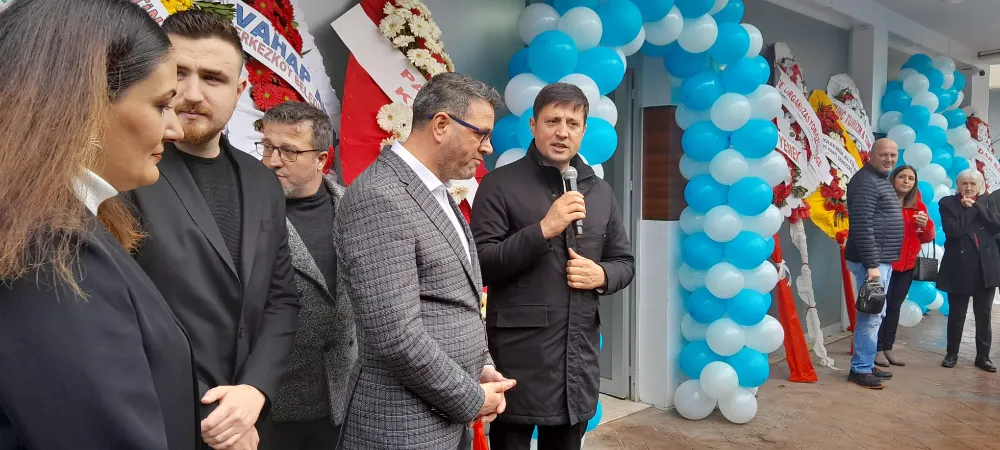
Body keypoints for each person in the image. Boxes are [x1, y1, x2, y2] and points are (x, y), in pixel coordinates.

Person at [0, 0, 196, 448]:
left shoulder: (40, 225)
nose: (175, 130)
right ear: (82, 104)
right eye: (161, 104)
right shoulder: (49, 248)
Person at [127, 10, 300, 450]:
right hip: (154, 420)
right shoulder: (125, 173)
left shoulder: (262, 181)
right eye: (178, 73)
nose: (191, 93)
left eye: (212, 78)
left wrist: (254, 390)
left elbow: (281, 299)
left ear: (239, 90)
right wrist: (217, 416)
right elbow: (114, 314)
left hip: (247, 419)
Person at [334, 72, 516, 450]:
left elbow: (457, 301)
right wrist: (471, 398)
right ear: (441, 125)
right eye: (481, 134)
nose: (488, 148)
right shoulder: (380, 197)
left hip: (444, 419)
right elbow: (396, 336)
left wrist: (481, 366)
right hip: (402, 427)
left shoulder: (435, 190)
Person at [470, 83, 635, 450]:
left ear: (584, 130)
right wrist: (543, 229)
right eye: (552, 121)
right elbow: (480, 264)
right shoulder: (499, 185)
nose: (562, 132)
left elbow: (624, 262)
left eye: (572, 123)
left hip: (577, 360)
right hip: (519, 360)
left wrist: (602, 275)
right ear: (533, 125)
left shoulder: (600, 191)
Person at [257, 101, 355, 450]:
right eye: (267, 147)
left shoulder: (355, 208)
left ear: (322, 159)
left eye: (289, 151)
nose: (272, 161)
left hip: (343, 400)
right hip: (270, 403)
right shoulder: (246, 210)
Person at [843, 138, 904, 390]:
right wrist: (871, 265)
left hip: (879, 259)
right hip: (872, 261)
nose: (889, 159)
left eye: (893, 155)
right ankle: (860, 369)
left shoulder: (878, 179)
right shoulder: (866, 181)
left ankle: (866, 362)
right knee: (870, 316)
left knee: (875, 314)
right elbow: (862, 225)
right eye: (884, 154)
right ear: (871, 155)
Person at [938, 169, 1000, 372]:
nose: (969, 187)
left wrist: (976, 206)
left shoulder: (988, 201)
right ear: (957, 185)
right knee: (957, 314)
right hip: (959, 266)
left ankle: (983, 357)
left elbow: (996, 225)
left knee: (984, 315)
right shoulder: (947, 203)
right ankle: (952, 354)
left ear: (980, 186)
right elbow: (954, 230)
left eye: (973, 184)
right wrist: (972, 210)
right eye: (964, 183)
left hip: (985, 267)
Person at [874, 165, 935, 368]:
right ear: (893, 179)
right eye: (902, 177)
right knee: (879, 308)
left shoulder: (919, 206)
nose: (906, 181)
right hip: (885, 264)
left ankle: (888, 347)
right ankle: (876, 349)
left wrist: (926, 225)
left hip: (907, 266)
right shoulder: (884, 202)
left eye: (910, 178)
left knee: (894, 307)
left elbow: (927, 238)